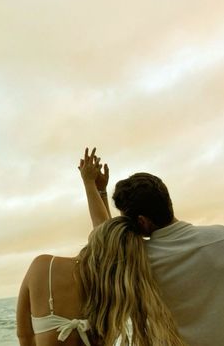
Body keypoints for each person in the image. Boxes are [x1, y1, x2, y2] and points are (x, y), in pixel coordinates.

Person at [16, 148, 187, 346]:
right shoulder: (108, 283)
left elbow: (24, 335)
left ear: (96, 237)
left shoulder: (43, 266)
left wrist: (90, 183)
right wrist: (97, 189)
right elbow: (108, 237)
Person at [112, 172, 224, 346]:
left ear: (142, 222)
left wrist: (94, 187)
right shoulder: (221, 237)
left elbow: (107, 243)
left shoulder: (140, 260)